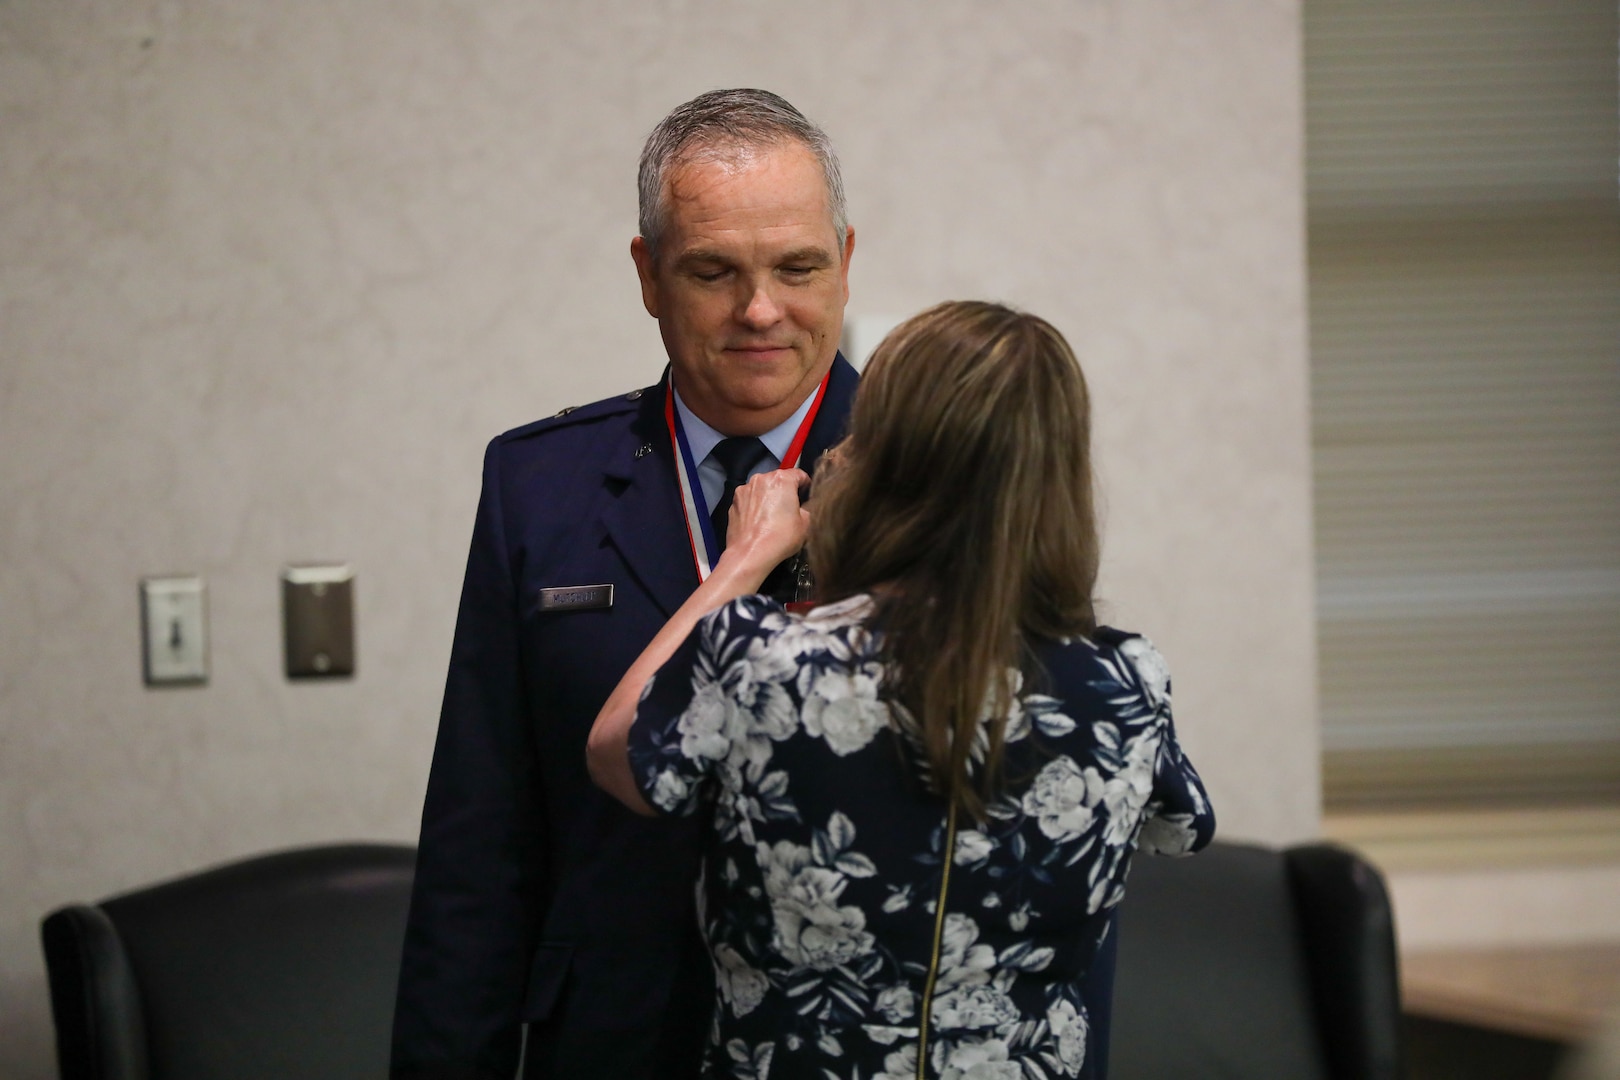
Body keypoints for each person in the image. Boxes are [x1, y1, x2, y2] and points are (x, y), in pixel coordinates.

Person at [588, 300, 1216, 1079]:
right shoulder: (1127, 681)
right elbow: (1182, 829)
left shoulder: (763, 660)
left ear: (885, 460)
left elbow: (616, 750)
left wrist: (741, 563)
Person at [391, 89, 859, 1079]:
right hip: (614, 1040)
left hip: (844, 1047)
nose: (760, 309)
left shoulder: (938, 480)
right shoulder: (540, 485)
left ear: (847, 262)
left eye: (798, 267)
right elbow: (481, 843)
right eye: (713, 271)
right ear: (649, 275)